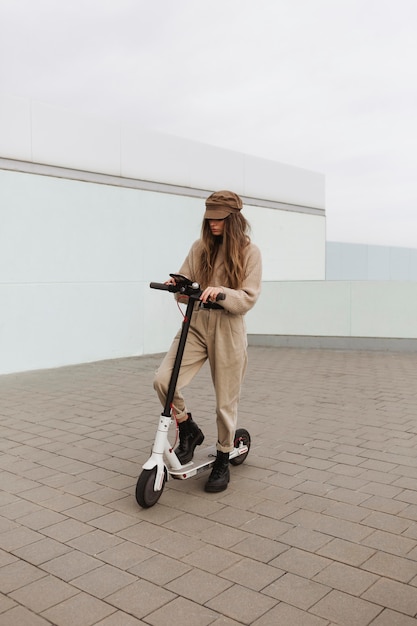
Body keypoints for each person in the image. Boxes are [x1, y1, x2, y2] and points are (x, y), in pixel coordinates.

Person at [153, 190, 262, 493]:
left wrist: (223, 293)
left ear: (234, 220)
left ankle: (223, 457)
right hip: (197, 323)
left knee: (225, 401)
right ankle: (188, 428)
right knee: (163, 381)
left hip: (228, 328)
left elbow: (249, 297)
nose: (213, 224)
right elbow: (185, 284)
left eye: (220, 219)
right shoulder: (199, 248)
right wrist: (178, 284)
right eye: (209, 219)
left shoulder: (250, 253)